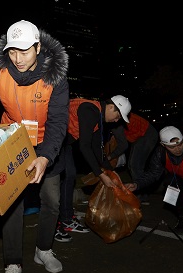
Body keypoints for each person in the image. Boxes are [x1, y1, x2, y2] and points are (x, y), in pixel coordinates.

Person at [0, 20, 69, 273]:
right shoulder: (0, 70)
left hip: (47, 145)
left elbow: (60, 120)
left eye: (24, 51)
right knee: (12, 204)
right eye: (13, 51)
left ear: (38, 47)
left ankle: (44, 248)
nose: (18, 59)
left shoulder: (55, 76)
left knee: (51, 201)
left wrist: (46, 157)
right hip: (12, 144)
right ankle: (13, 265)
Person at [55, 95, 131, 242]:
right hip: (52, 140)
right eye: (118, 116)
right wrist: (100, 174)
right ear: (110, 107)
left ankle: (66, 219)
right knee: (57, 182)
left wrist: (110, 170)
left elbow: (97, 148)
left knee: (69, 177)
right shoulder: (89, 109)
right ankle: (55, 225)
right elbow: (85, 145)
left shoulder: (98, 118)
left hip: (65, 143)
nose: (117, 121)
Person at [105, 112, 158, 205]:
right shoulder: (112, 116)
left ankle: (142, 196)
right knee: (133, 165)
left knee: (135, 165)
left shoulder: (114, 121)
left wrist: (110, 156)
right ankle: (141, 194)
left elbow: (123, 145)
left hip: (146, 135)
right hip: (141, 135)